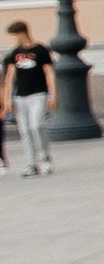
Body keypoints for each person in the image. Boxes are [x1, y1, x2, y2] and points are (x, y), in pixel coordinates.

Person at [3, 22, 56, 178]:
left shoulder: (40, 50)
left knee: (36, 125)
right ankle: (31, 164)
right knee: (25, 131)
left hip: (38, 94)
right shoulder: (14, 54)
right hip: (20, 97)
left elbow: (49, 72)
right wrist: (7, 99)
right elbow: (9, 78)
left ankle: (44, 157)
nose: (14, 38)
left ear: (22, 33)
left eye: (15, 35)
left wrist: (53, 94)